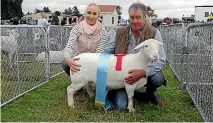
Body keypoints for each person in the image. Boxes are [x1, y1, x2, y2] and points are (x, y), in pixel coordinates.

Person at [104, 2, 167, 111]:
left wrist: (142, 72)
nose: (134, 21)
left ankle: (150, 93)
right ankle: (117, 91)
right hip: (123, 76)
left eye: (138, 17)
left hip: (144, 71)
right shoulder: (120, 32)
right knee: (121, 107)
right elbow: (106, 52)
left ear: (145, 16)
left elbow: (161, 60)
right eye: (132, 17)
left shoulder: (154, 33)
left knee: (158, 78)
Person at [62, 3, 108, 76]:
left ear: (98, 16)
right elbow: (69, 46)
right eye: (89, 13)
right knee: (65, 63)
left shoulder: (103, 32)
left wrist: (88, 64)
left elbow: (99, 52)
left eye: (94, 14)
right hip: (79, 59)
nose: (91, 16)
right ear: (85, 13)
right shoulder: (76, 28)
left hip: (95, 61)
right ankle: (77, 83)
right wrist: (68, 58)